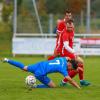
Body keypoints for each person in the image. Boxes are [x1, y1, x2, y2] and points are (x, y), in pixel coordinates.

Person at [49, 19, 91, 86]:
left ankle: (81, 81)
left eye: (71, 27)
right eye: (68, 27)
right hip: (64, 53)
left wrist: (73, 51)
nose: (70, 28)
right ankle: (64, 82)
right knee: (77, 67)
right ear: (66, 26)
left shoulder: (72, 31)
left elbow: (70, 43)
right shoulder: (65, 33)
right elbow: (66, 46)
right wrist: (74, 52)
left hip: (69, 52)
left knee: (80, 64)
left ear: (73, 26)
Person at [1, 57, 81, 89]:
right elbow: (69, 80)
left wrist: (74, 63)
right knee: (53, 86)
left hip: (40, 64)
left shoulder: (63, 59)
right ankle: (34, 86)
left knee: (24, 67)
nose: (70, 70)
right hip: (40, 73)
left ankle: (7, 60)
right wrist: (78, 87)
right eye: (71, 68)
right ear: (69, 64)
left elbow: (67, 58)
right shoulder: (63, 68)